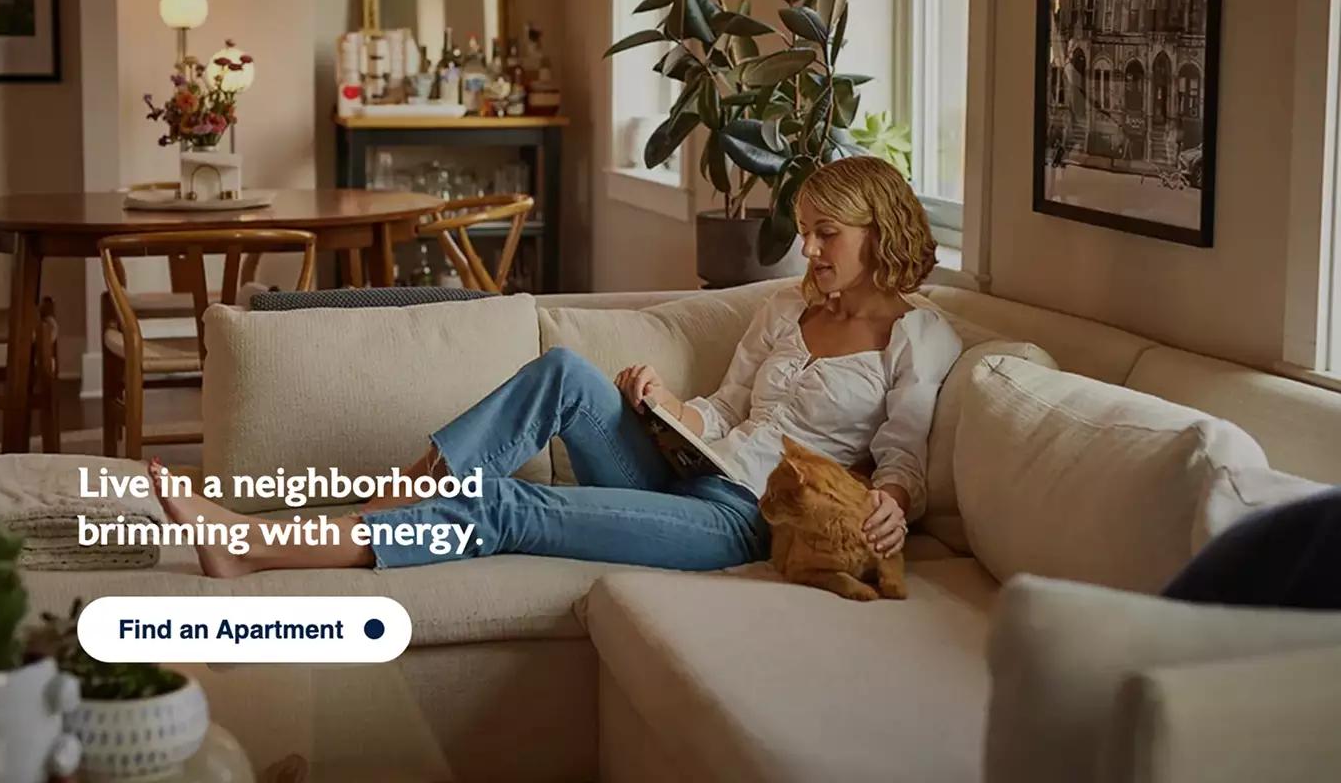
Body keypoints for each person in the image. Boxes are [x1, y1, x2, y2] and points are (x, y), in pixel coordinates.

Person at [153, 155, 963, 578]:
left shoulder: (916, 336)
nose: (808, 248)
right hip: (694, 471)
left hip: (744, 520)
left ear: (878, 231)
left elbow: (903, 460)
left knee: (502, 506)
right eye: (805, 230)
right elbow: (724, 412)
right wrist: (666, 406)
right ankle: (386, 505)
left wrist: (891, 503)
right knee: (565, 373)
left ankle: (256, 545)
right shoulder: (787, 307)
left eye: (826, 234)